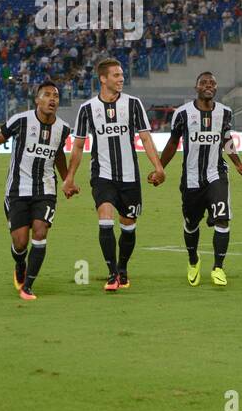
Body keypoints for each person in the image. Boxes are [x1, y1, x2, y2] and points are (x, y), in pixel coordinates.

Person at [63, 58, 165, 291]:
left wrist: (158, 167)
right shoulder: (87, 109)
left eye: (121, 75)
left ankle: (122, 268)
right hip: (102, 174)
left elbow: (145, 138)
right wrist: (70, 177)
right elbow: (78, 146)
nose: (121, 80)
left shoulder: (133, 104)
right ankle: (112, 275)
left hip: (130, 176)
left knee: (128, 226)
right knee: (105, 219)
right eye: (116, 76)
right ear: (103, 79)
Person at [0, 82, 74, 301]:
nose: (52, 99)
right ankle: (20, 264)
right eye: (47, 95)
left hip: (46, 189)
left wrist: (67, 180)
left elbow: (59, 154)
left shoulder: (63, 128)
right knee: (20, 242)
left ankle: (28, 286)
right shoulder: (21, 120)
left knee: (41, 231)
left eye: (56, 96)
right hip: (17, 189)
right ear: (37, 99)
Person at [158, 71, 242, 287]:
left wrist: (238, 164)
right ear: (196, 87)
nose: (208, 85)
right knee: (191, 224)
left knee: (222, 219)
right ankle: (193, 260)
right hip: (191, 179)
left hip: (216, 174)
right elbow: (173, 143)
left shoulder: (225, 113)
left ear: (216, 88)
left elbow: (226, 139)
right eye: (204, 83)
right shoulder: (182, 114)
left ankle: (218, 268)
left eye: (212, 83)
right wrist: (160, 168)